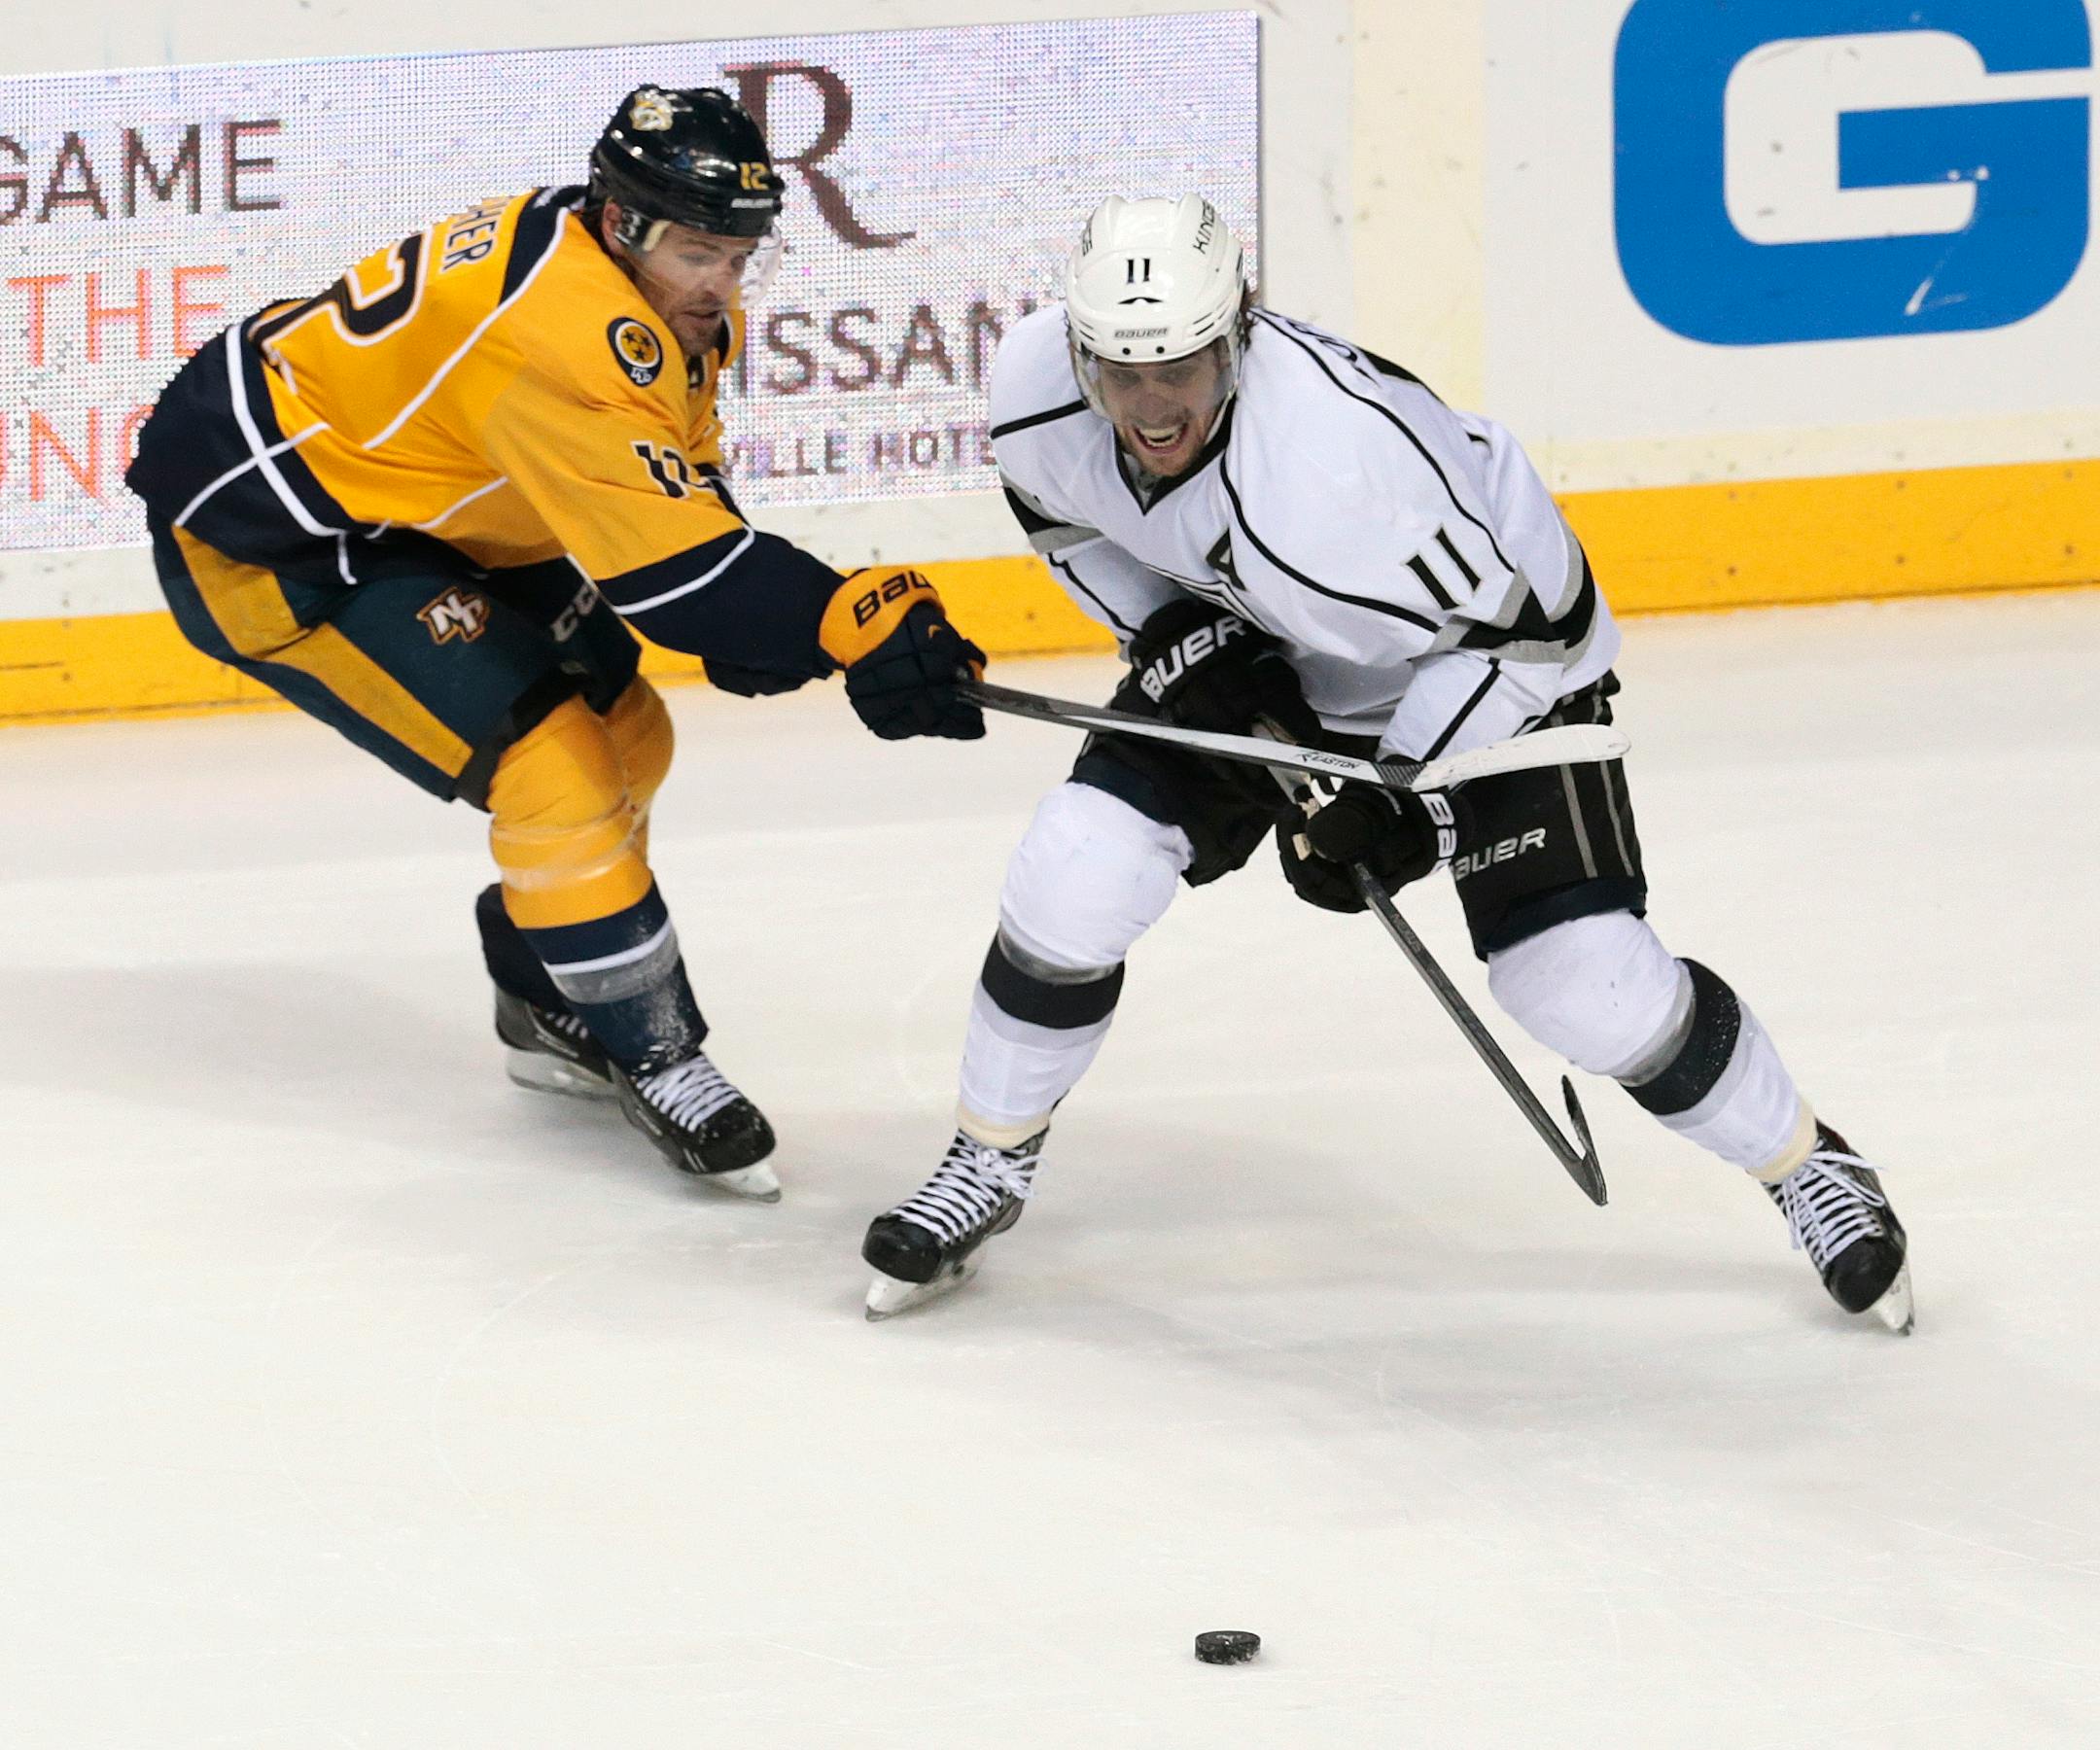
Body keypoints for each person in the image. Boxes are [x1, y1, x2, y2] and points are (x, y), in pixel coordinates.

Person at [859, 193, 1911, 1327]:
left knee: (1581, 983)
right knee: (1079, 866)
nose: (1152, 406)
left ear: (1237, 339)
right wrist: (1176, 637)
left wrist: (1404, 802)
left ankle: (1808, 1166)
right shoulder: (1036, 390)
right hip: (1274, 646)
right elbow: (1069, 520)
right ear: (1081, 353)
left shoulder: (1344, 476)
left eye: (1181, 370)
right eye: (1122, 372)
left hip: (1486, 676)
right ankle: (989, 1160)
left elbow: (1533, 631)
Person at [125, 87, 984, 1202]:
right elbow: (674, 582)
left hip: (432, 498)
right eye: (700, 254)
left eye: (740, 256)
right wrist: (833, 618)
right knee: (557, 768)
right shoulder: (566, 332)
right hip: (280, 537)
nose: (722, 283)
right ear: (622, 221)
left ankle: (543, 984)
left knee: (631, 731)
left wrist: (767, 617)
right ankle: (652, 1050)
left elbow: (676, 480)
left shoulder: (650, 290)